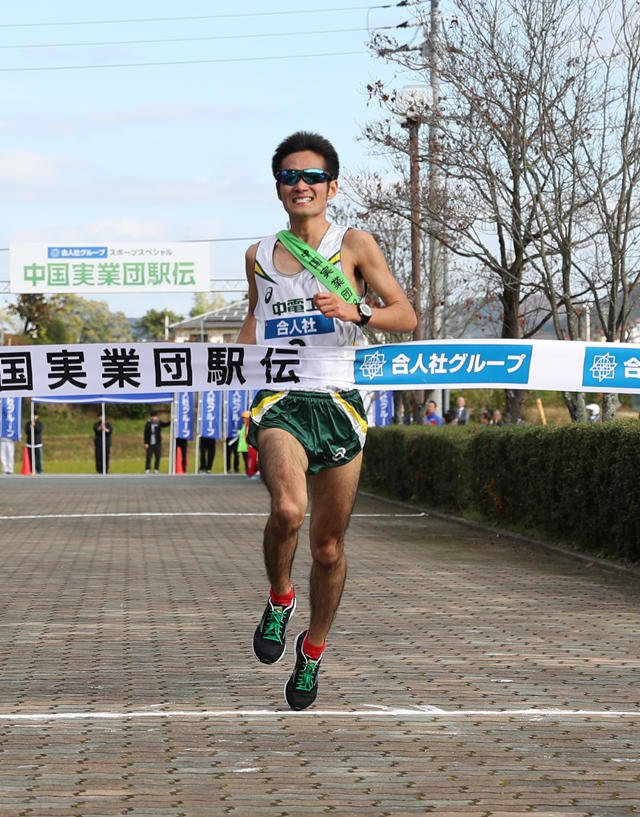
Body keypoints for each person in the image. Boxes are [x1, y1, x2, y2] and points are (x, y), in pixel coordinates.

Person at [238, 131, 416, 710]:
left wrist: (356, 309)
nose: (301, 185)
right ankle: (280, 598)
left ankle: (312, 651)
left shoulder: (355, 244)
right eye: (290, 176)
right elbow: (253, 322)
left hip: (338, 402)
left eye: (312, 176)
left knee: (329, 546)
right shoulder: (259, 255)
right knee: (288, 510)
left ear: (332, 186)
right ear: (278, 188)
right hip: (280, 399)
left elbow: (405, 316)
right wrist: (238, 384)